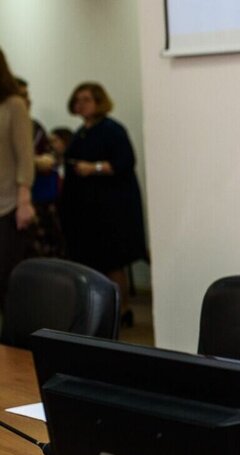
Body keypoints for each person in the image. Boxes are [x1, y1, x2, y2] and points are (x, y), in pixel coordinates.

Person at [59, 81, 147, 324]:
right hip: (84, 211)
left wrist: (94, 167)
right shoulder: (80, 133)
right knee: (88, 261)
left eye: (86, 99)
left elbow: (124, 162)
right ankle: (96, 311)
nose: (81, 104)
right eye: (77, 100)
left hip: (110, 210)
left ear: (99, 101)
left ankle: (122, 310)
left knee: (111, 261)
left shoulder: (113, 130)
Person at [14, 77, 65, 258]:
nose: (27, 100)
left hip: (42, 204)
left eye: (27, 95)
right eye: (21, 95)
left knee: (48, 258)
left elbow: (53, 158)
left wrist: (47, 160)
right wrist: (34, 162)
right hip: (14, 205)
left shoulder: (35, 127)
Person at [0, 49, 34, 307]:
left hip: (8, 205)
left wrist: (24, 200)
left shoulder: (14, 104)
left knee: (6, 282)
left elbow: (25, 156)